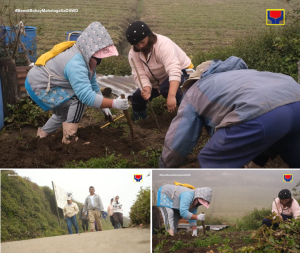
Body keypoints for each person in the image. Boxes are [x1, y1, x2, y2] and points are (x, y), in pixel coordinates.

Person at [159, 56, 300, 168]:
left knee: (212, 160)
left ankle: (237, 197)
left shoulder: (197, 88)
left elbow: (181, 134)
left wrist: (166, 165)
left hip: (262, 112)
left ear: (197, 77)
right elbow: (277, 120)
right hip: (295, 100)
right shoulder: (244, 75)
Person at [25, 21, 129, 144]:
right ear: (89, 52)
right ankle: (70, 139)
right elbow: (86, 97)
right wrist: (113, 103)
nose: (98, 62)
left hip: (43, 81)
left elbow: (93, 85)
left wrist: (104, 106)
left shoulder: (86, 57)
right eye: (98, 59)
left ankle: (41, 137)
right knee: (78, 100)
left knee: (63, 113)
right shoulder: (76, 64)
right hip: (41, 85)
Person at [125, 21, 193, 120]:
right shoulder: (133, 54)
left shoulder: (163, 44)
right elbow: (139, 74)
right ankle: (140, 123)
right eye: (136, 44)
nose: (140, 46)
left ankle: (190, 114)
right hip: (158, 80)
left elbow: (174, 69)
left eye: (142, 42)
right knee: (137, 97)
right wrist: (146, 88)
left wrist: (171, 96)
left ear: (149, 36)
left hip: (183, 71)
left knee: (166, 89)